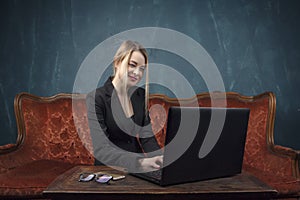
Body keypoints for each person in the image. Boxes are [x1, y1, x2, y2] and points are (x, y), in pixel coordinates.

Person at [86, 40, 163, 172]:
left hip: (138, 169)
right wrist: (140, 162)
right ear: (117, 63)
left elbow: (147, 136)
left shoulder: (140, 95)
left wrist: (160, 159)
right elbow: (102, 150)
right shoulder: (96, 98)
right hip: (109, 169)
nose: (137, 73)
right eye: (132, 65)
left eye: (142, 69)